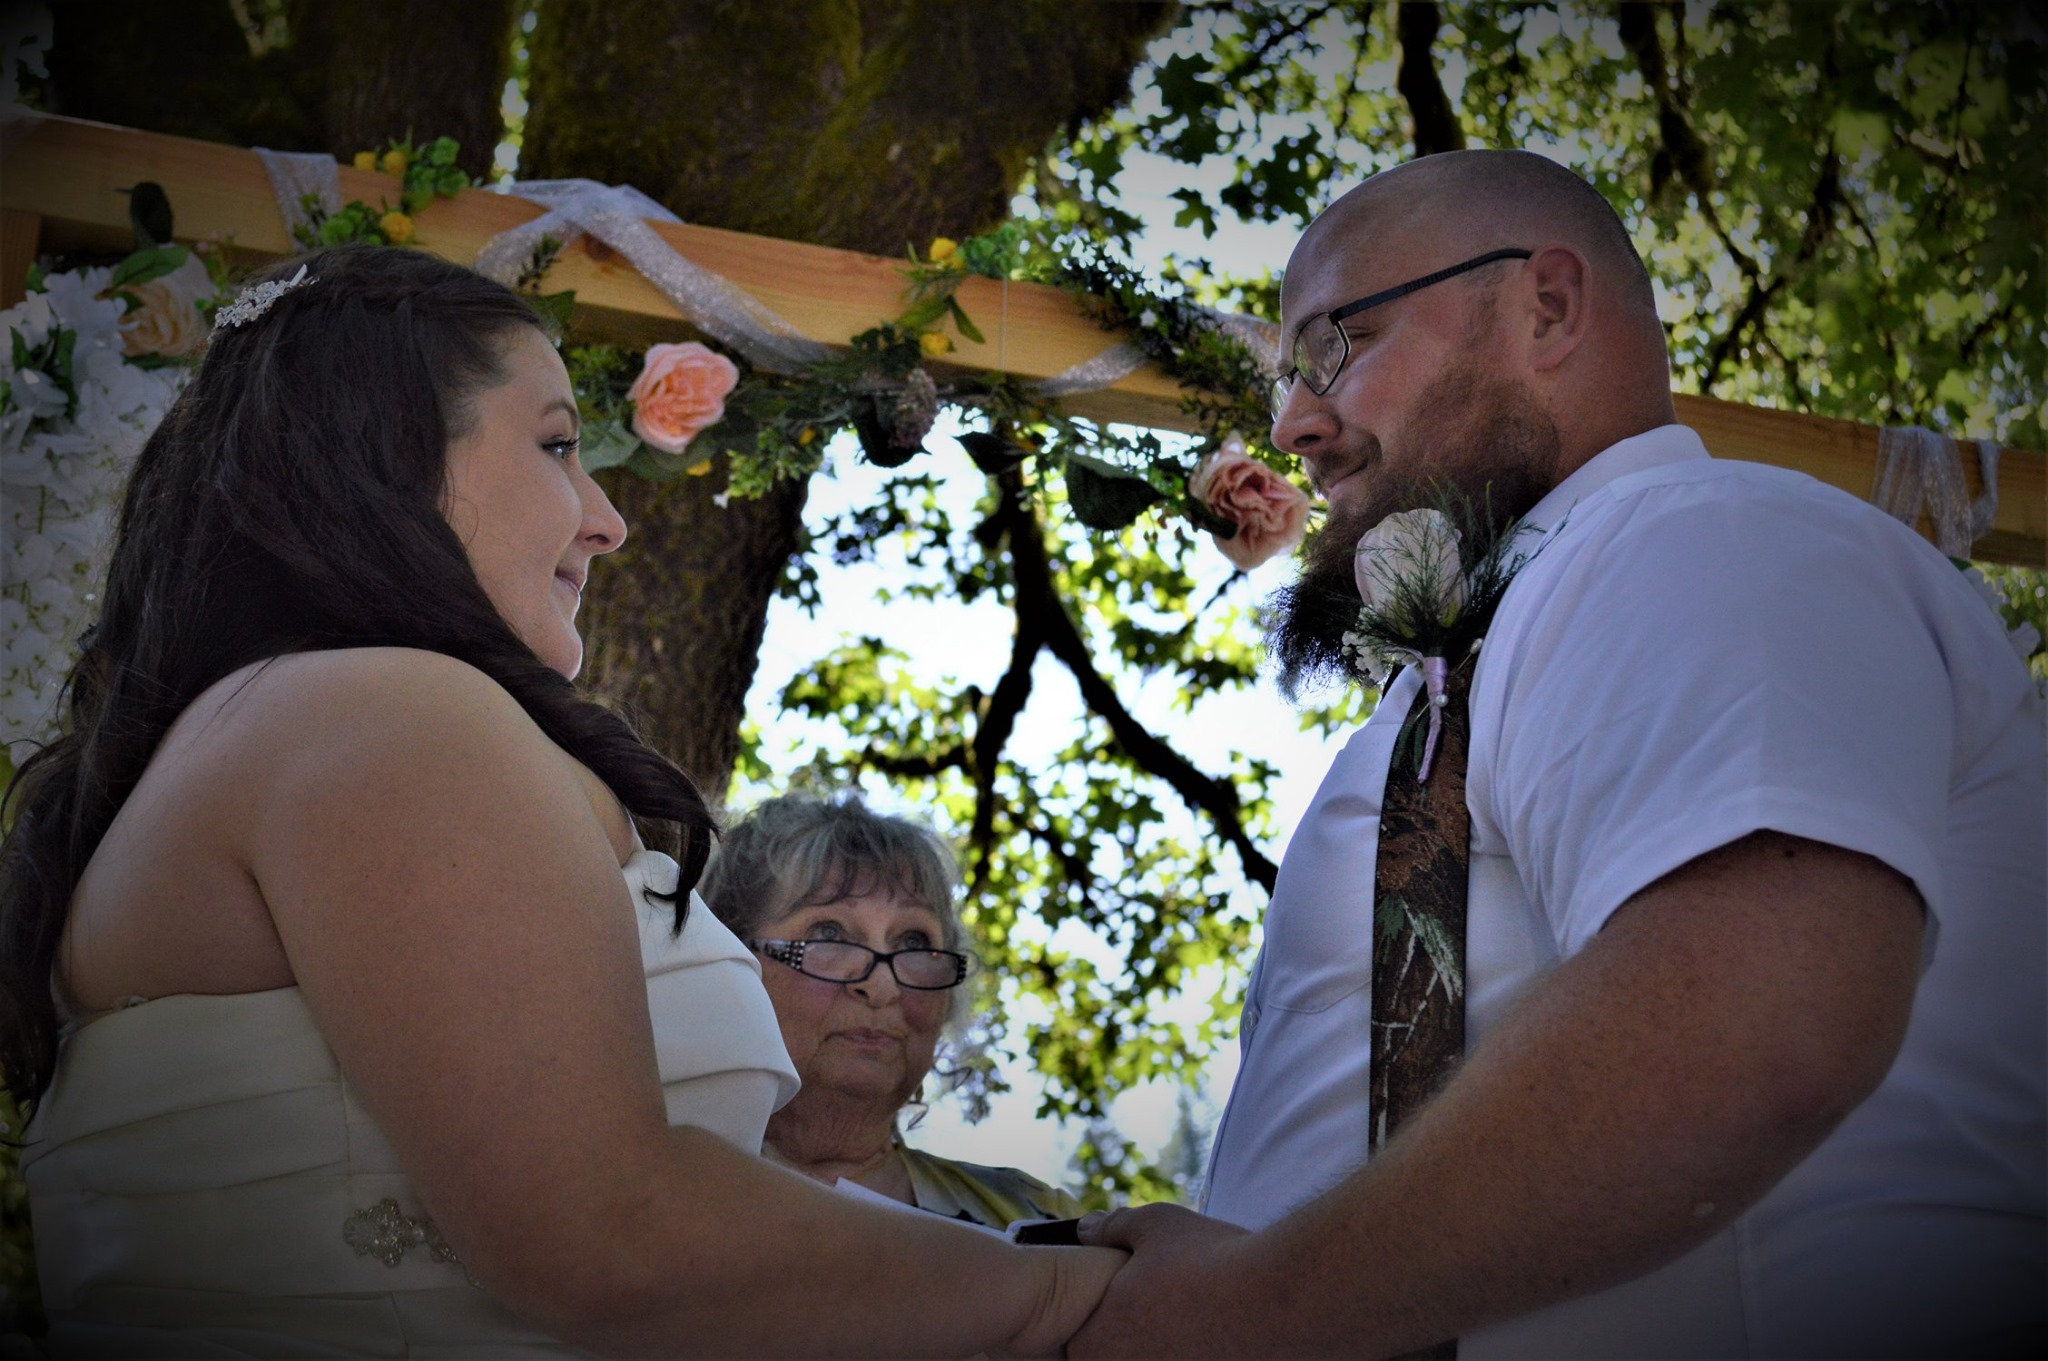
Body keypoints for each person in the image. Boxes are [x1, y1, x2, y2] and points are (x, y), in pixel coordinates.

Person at [1, 244, 1120, 1358]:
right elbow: (609, 1233)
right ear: (381, 456)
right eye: (554, 444)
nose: (606, 518)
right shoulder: (388, 713)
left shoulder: (267, 731)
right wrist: (1065, 1298)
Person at [1071, 150, 2046, 1357]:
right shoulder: (1510, 635)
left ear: (1545, 305)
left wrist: (1244, 1311)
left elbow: (1752, 1023)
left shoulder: (1695, 537)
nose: (1293, 424)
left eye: (1334, 345)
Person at [700, 793, 1085, 1229]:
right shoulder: (648, 1194)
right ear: (730, 958)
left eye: (914, 943)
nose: (882, 987)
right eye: (830, 932)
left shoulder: (1042, 1222)